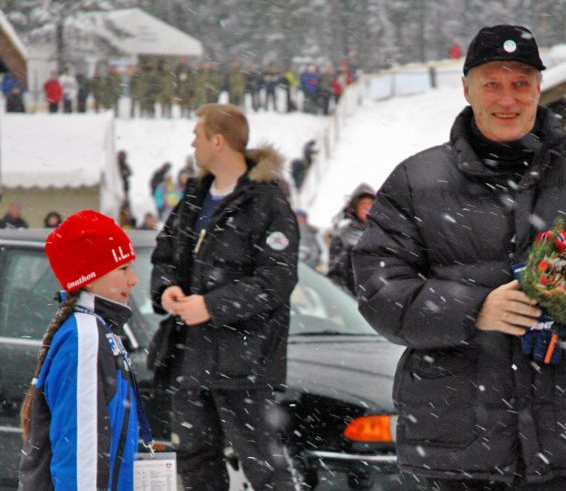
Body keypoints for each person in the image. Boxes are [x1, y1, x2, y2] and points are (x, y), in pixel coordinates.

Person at [352, 24, 566, 490]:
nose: (508, 99)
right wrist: (474, 309)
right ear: (466, 89)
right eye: (492, 84)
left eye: (521, 83)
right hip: (455, 448)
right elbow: (378, 290)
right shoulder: (415, 181)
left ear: (539, 88)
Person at [149, 103, 299, 490]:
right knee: (195, 461)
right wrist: (167, 289)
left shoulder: (267, 203)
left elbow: (276, 280)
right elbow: (165, 253)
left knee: (264, 466)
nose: (192, 143)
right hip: (189, 358)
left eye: (197, 135)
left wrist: (212, 307)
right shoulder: (195, 196)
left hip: (244, 363)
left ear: (218, 141)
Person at [18, 209, 145, 490]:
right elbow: (81, 456)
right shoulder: (86, 338)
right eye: (123, 268)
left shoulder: (98, 330)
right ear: (90, 276)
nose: (133, 279)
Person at [327, 183, 374, 294]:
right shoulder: (343, 234)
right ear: (355, 206)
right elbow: (335, 273)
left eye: (370, 204)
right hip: (347, 298)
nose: (367, 207)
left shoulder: (382, 235)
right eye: (363, 203)